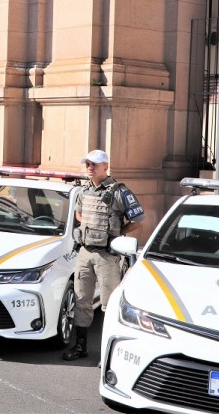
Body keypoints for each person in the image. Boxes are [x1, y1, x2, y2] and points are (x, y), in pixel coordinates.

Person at [63, 149, 145, 361]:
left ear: (105, 167)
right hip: (85, 252)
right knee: (82, 300)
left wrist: (117, 236)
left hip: (107, 257)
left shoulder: (119, 191)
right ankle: (81, 347)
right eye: (87, 164)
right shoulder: (84, 190)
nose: (89, 168)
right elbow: (79, 213)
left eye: (94, 164)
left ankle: (108, 354)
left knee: (109, 305)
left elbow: (138, 220)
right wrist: (87, 229)